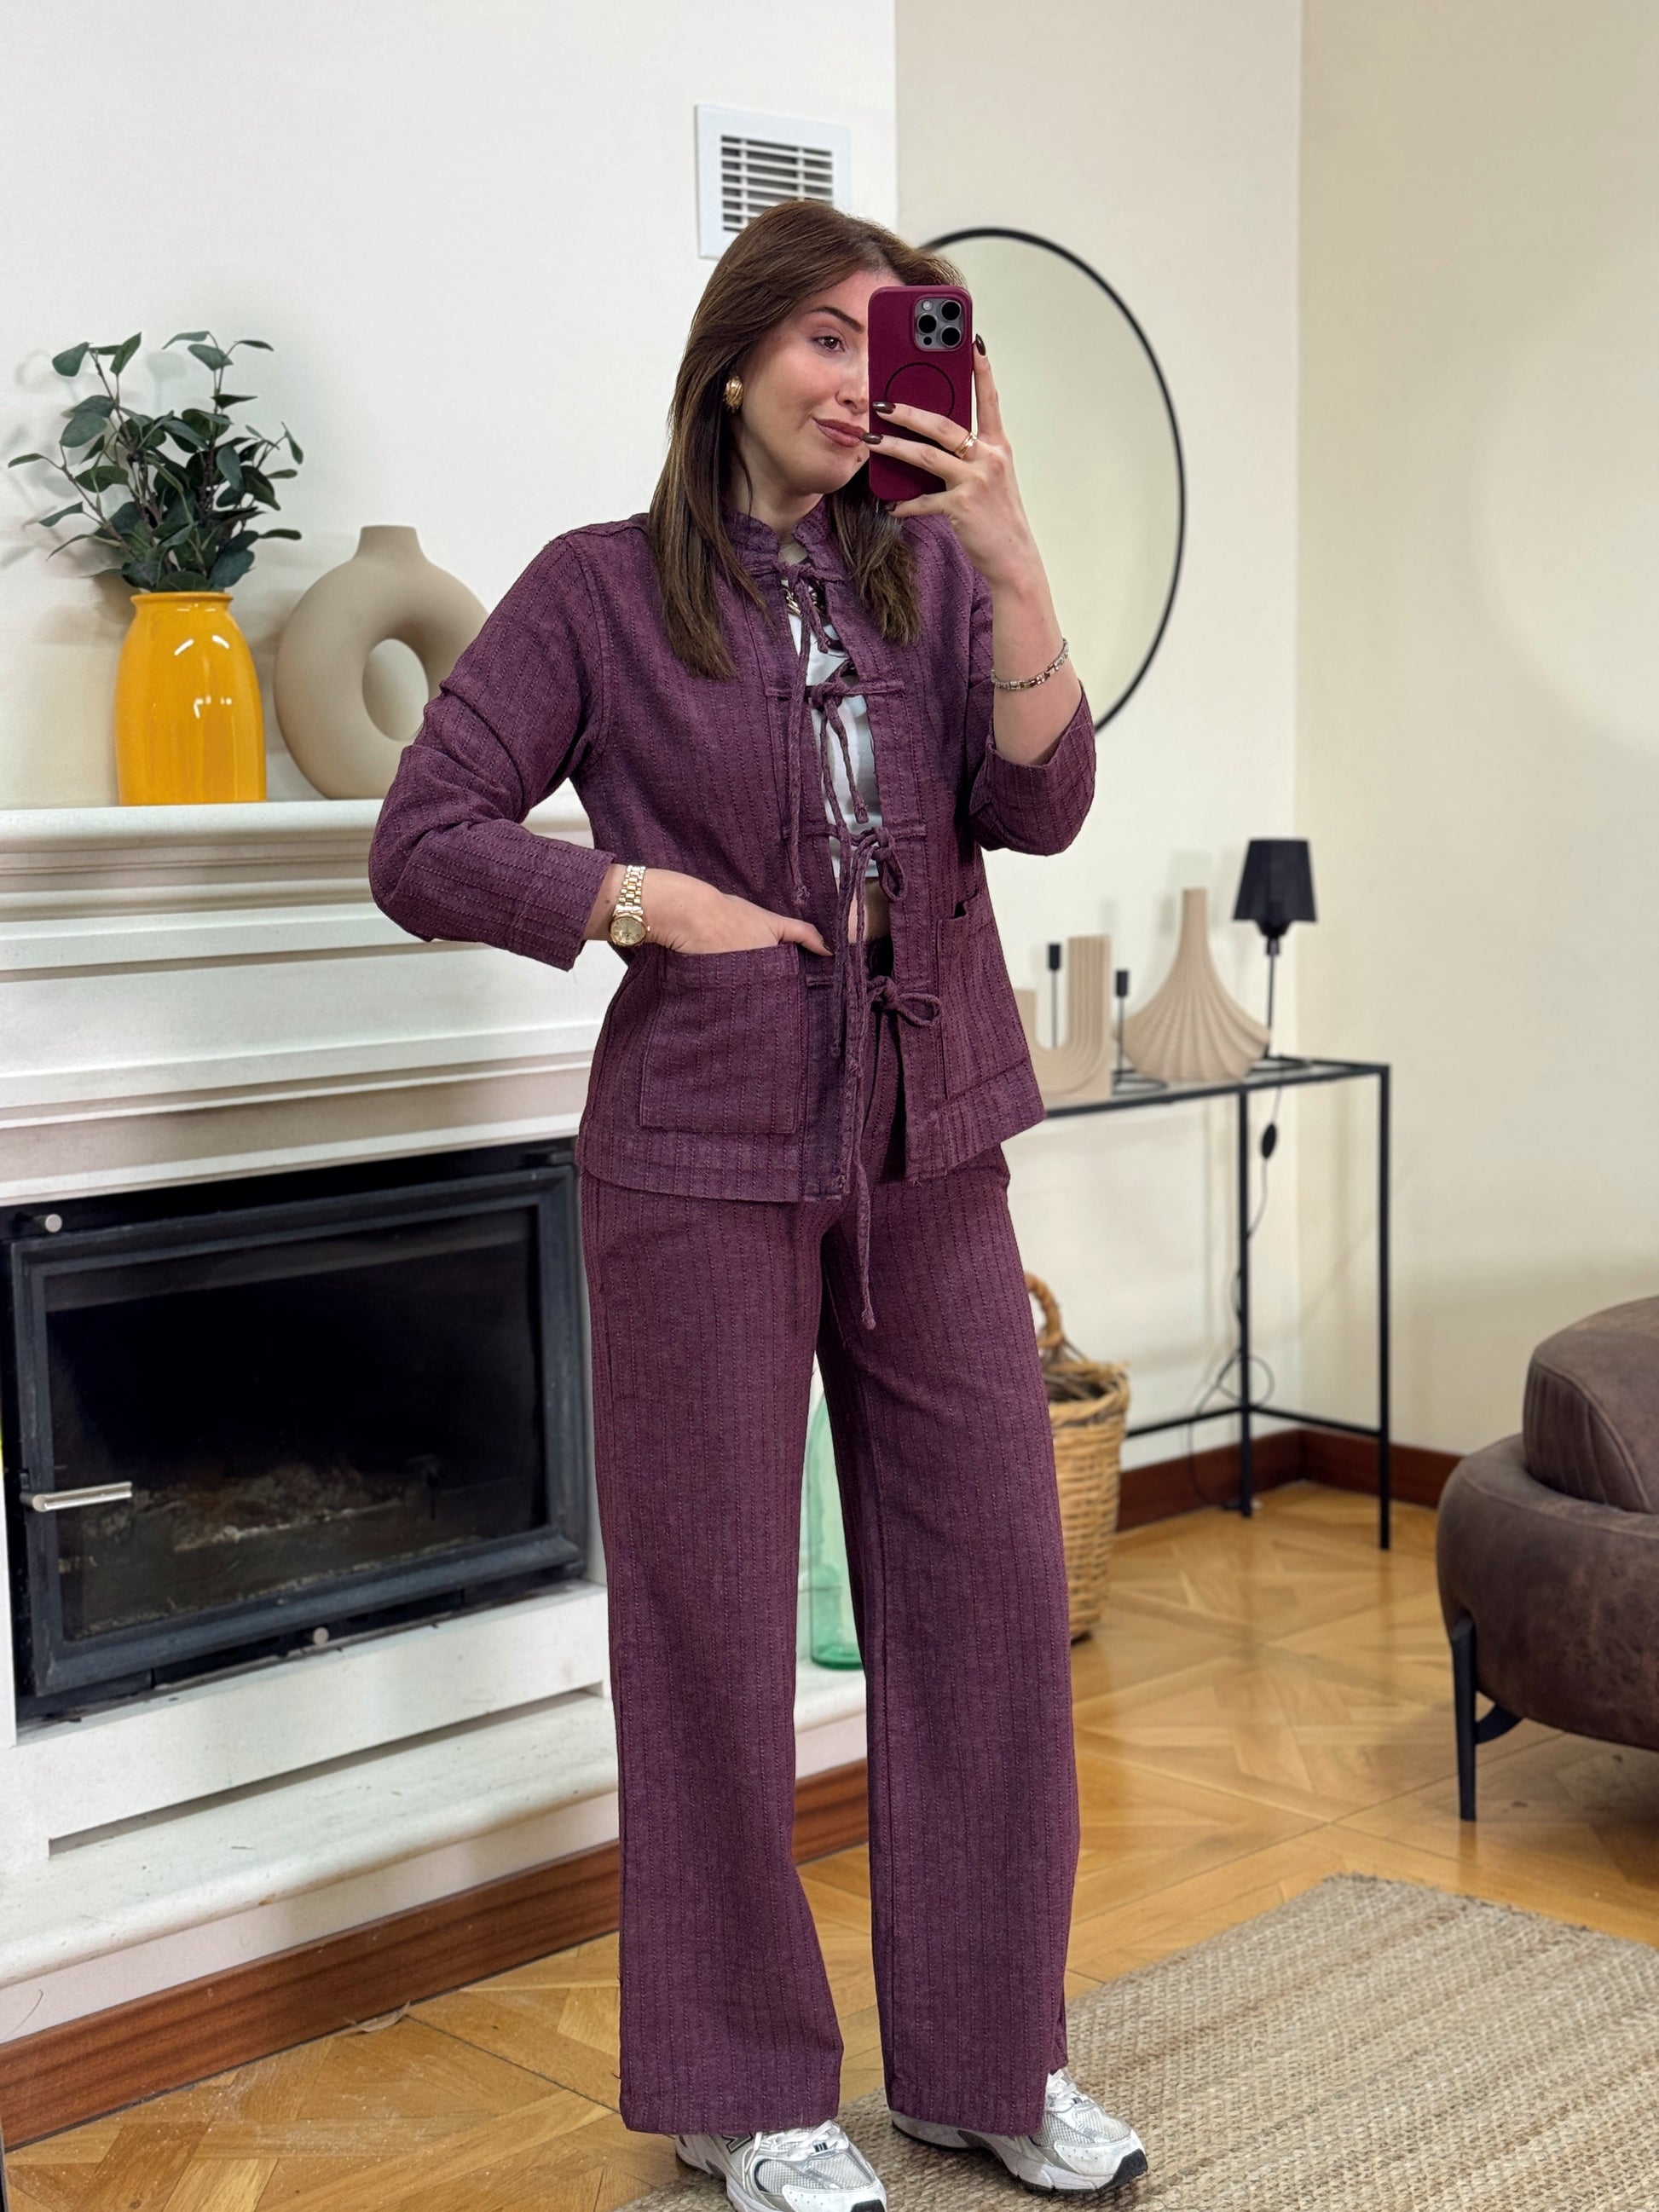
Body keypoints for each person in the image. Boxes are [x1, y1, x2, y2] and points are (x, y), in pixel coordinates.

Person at [367, 199, 1148, 2207]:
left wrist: (1013, 551)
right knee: (710, 1626)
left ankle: (986, 2056)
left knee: (990, 1602)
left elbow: (1042, 801)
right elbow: (421, 835)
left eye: (888, 345)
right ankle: (741, 2085)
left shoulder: (939, 577)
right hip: (697, 1155)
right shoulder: (596, 589)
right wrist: (638, 901)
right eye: (819, 337)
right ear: (730, 363)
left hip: (933, 1143)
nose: (853, 380)